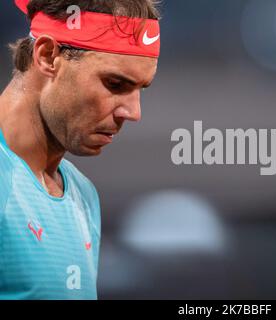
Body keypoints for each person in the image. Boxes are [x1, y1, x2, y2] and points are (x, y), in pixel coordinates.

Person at [0, 0, 160, 299]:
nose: (134, 112)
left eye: (141, 89)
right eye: (114, 83)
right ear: (48, 56)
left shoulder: (83, 195)